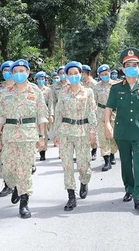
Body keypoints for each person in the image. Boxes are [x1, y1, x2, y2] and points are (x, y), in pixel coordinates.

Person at [105, 48, 139, 210]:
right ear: (123, 68)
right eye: (128, 64)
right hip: (122, 132)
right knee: (126, 164)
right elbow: (109, 108)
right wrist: (107, 124)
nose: (131, 67)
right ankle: (129, 188)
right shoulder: (116, 89)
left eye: (134, 64)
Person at [0, 59, 48, 219]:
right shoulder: (5, 92)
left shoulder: (35, 92)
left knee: (24, 170)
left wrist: (42, 136)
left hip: (28, 135)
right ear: (11, 74)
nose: (18, 74)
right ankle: (14, 186)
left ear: (28, 72)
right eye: (15, 71)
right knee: (8, 169)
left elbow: (42, 115)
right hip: (9, 135)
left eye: (21, 71)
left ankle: (24, 203)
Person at [53, 61, 97, 211]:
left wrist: (93, 132)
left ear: (81, 74)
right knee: (67, 164)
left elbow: (92, 112)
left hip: (82, 132)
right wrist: (56, 133)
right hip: (65, 131)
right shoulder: (62, 92)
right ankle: (71, 196)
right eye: (70, 74)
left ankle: (84, 181)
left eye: (76, 73)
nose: (73, 76)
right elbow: (58, 113)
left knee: (83, 164)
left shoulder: (88, 92)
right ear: (66, 75)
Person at [0, 60, 14, 198]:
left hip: (17, 127)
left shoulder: (20, 87)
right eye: (4, 70)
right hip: (2, 128)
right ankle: (7, 184)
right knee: (4, 157)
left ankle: (18, 183)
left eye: (9, 70)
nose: (6, 72)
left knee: (17, 157)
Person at [93, 64, 118, 171]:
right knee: (103, 137)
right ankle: (106, 160)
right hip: (101, 113)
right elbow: (93, 101)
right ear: (99, 75)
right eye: (102, 74)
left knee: (114, 136)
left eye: (106, 74)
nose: (105, 76)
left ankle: (112, 153)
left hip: (115, 113)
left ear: (110, 73)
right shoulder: (96, 87)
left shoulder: (116, 85)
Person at [35, 71, 54, 161]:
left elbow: (50, 103)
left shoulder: (48, 90)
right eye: (39, 79)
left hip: (44, 113)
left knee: (44, 133)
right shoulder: (33, 89)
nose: (41, 80)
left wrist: (51, 114)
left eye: (42, 79)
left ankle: (43, 152)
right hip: (34, 113)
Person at [81, 64, 99, 161]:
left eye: (83, 73)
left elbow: (96, 98)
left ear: (87, 73)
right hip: (83, 112)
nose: (81, 75)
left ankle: (94, 150)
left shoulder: (94, 84)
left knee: (92, 132)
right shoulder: (81, 83)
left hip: (92, 111)